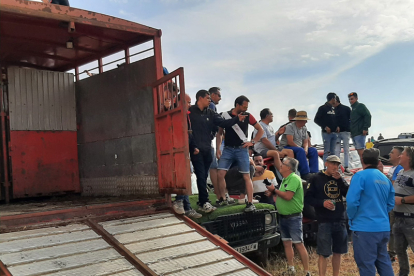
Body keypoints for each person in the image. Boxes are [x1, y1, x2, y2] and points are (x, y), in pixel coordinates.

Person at [189, 90, 247, 213]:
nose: (210, 100)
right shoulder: (190, 112)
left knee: (204, 176)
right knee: (200, 175)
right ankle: (204, 202)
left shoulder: (211, 112)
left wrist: (236, 119)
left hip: (208, 149)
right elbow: (186, 130)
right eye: (207, 98)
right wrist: (193, 146)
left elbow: (223, 123)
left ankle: (202, 201)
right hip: (196, 150)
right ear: (200, 98)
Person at [346, 148, 395, 276]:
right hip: (383, 227)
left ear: (362, 160)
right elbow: (391, 203)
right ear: (378, 161)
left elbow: (351, 202)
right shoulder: (385, 178)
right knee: (384, 262)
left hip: (364, 228)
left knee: (366, 266)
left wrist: (352, 218)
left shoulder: (359, 176)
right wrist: (380, 213)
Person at [216, 95, 264, 212]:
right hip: (227, 148)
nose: (246, 108)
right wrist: (218, 148)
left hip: (241, 148)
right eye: (244, 106)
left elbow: (260, 129)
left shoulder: (248, 116)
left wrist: (252, 142)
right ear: (237, 105)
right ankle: (223, 198)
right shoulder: (225, 115)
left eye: (247, 106)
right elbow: (219, 133)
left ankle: (250, 202)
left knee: (246, 176)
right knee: (220, 173)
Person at [266, 157, 311, 276]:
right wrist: (273, 192)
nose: (281, 165)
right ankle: (291, 268)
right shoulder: (285, 179)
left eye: (283, 164)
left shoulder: (294, 178)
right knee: (287, 243)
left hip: (293, 217)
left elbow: (288, 196)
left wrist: (274, 190)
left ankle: (307, 272)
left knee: (298, 243)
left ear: (289, 168)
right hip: (284, 216)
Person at [305, 155, 349, 276]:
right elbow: (308, 198)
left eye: (337, 165)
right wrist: (322, 203)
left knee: (338, 251)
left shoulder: (339, 179)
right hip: (324, 220)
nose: (335, 167)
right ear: (326, 164)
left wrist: (340, 180)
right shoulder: (316, 178)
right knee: (323, 253)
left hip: (339, 219)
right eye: (332, 164)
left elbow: (348, 194)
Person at [172, 94, 202, 219]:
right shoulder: (172, 113)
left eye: (190, 102)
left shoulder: (186, 116)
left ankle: (186, 206)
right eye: (187, 102)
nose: (189, 105)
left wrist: (193, 146)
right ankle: (180, 202)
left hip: (185, 151)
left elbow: (189, 134)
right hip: (174, 149)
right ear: (178, 102)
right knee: (181, 176)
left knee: (185, 177)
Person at [392, 146, 414, 276]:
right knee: (399, 250)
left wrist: (403, 200)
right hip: (398, 217)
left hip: (410, 219)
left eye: (403, 154)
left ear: (409, 157)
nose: (400, 156)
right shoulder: (400, 173)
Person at [279, 111, 319, 180]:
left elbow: (305, 141)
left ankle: (314, 172)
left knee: (313, 150)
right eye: (305, 120)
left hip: (299, 147)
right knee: (300, 150)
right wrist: (301, 148)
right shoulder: (290, 126)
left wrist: (306, 149)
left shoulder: (304, 128)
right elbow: (290, 141)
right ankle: (305, 173)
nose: (306, 122)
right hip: (287, 147)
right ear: (299, 120)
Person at [387, 146, 404, 262]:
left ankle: (392, 252)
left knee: (396, 229)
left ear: (399, 156)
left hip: (398, 204)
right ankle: (392, 252)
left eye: (392, 152)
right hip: (396, 203)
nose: (389, 154)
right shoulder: (396, 168)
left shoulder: (400, 169)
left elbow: (392, 186)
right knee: (393, 229)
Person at [314, 93, 339, 163]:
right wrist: (325, 127)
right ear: (332, 99)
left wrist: (337, 126)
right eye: (335, 99)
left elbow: (335, 119)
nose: (336, 100)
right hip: (326, 134)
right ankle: (326, 169)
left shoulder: (334, 109)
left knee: (333, 152)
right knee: (327, 152)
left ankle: (333, 168)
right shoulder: (322, 108)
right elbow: (316, 119)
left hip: (334, 133)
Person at [348, 92, 372, 162]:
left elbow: (368, 115)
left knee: (361, 152)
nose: (350, 101)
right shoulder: (352, 110)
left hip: (360, 133)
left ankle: (366, 167)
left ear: (356, 98)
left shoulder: (360, 106)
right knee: (359, 152)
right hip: (354, 133)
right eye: (349, 99)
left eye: (352, 99)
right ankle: (364, 167)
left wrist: (365, 128)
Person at [208, 87, 222, 199]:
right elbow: (215, 124)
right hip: (208, 141)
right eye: (219, 95)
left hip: (204, 140)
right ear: (213, 95)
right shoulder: (212, 105)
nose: (220, 98)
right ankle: (219, 194)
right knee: (214, 167)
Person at [333, 95, 353, 175]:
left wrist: (350, 129)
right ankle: (337, 168)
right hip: (337, 133)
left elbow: (351, 119)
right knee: (337, 150)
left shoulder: (346, 109)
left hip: (346, 131)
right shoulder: (332, 110)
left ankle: (346, 167)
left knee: (346, 149)